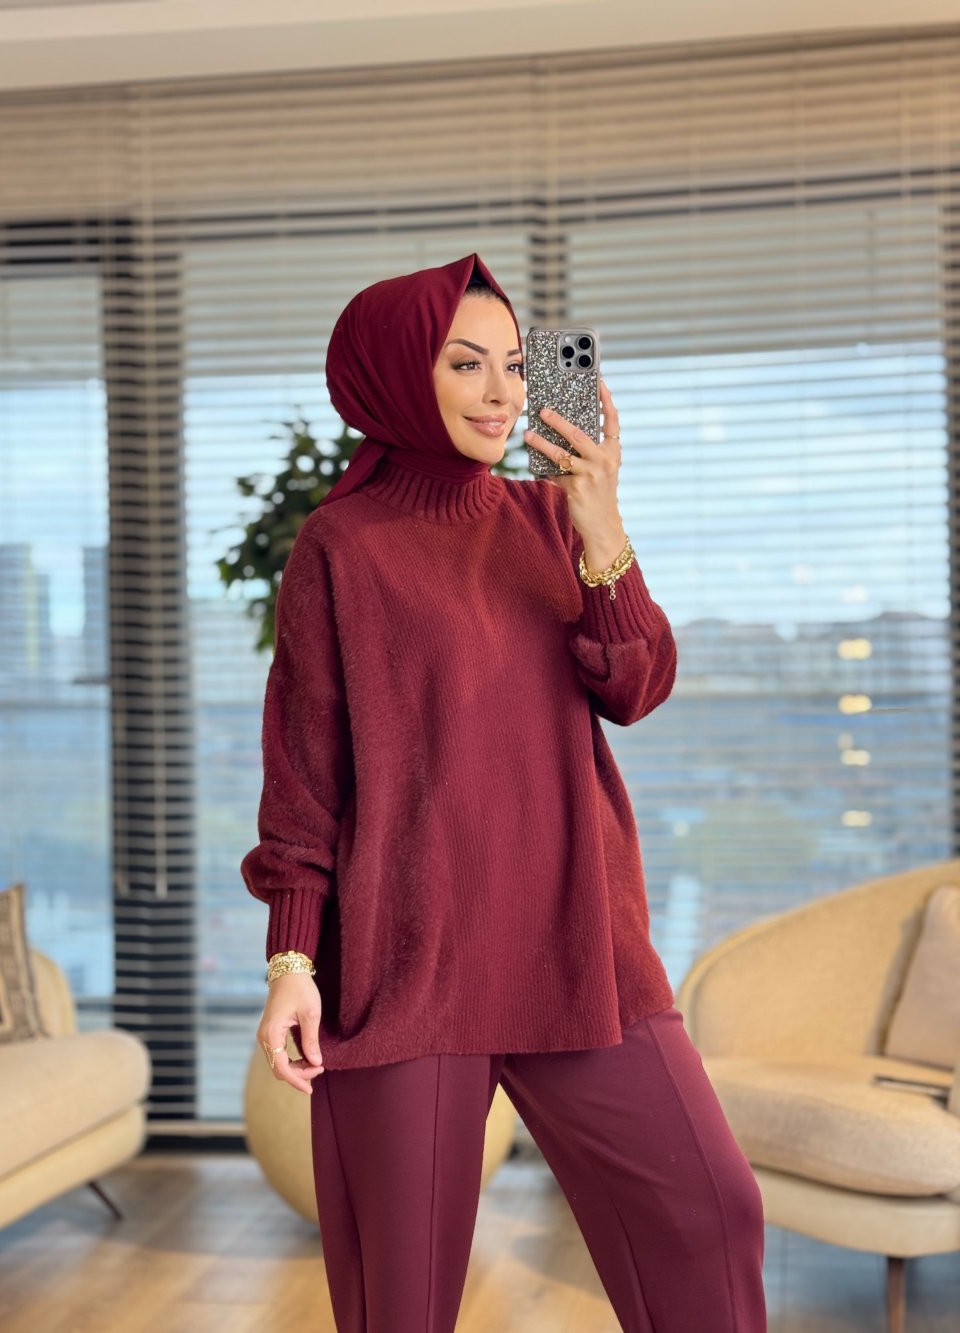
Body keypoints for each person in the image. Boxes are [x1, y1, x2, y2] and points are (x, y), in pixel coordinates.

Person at [241, 253, 767, 1333]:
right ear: (399, 374)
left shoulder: (550, 520)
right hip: (410, 960)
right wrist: (293, 961)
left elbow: (636, 686)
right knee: (402, 1298)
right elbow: (305, 774)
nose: (501, 393)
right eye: (465, 363)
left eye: (517, 366)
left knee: (712, 1212)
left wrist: (599, 517)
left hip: (583, 946)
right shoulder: (341, 546)